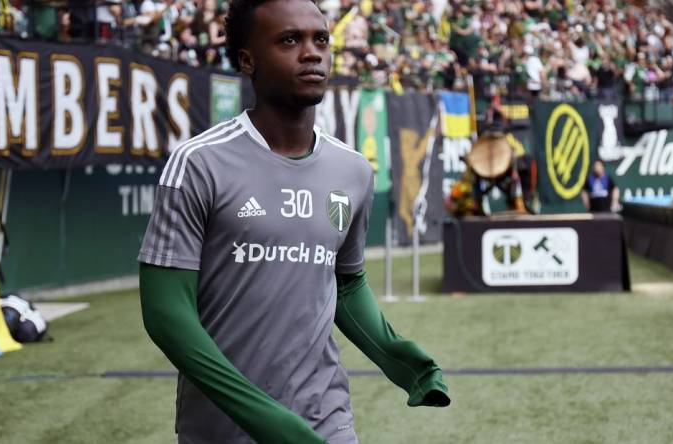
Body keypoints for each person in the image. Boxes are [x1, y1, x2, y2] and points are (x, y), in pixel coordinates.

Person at [137, 0, 450, 442]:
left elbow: (346, 282)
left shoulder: (353, 170)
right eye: (289, 40)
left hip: (326, 422)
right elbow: (166, 313)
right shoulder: (198, 164)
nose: (312, 53)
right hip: (220, 431)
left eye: (320, 39)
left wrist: (398, 357)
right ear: (247, 60)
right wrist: (263, 417)